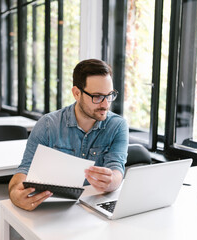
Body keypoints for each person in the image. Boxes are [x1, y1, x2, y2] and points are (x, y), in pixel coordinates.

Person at [9, 59, 129, 211]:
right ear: (77, 93)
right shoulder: (47, 125)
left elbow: (117, 168)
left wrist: (112, 180)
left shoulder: (118, 126)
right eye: (97, 96)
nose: (105, 104)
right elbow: (25, 170)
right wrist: (15, 194)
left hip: (93, 207)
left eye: (109, 95)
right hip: (54, 209)